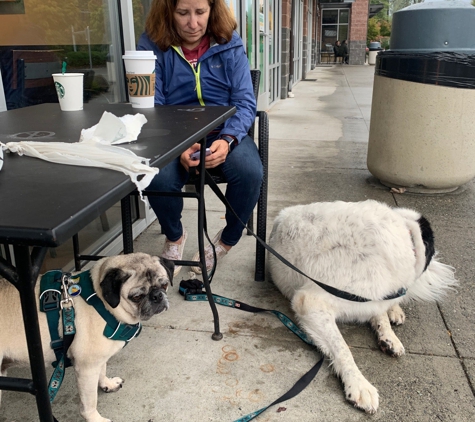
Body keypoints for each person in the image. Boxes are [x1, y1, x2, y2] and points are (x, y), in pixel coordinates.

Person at [137, 0, 263, 276]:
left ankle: (227, 240)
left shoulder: (229, 43)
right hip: (173, 134)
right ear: (168, 12)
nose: (192, 23)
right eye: (182, 13)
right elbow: (151, 104)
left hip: (223, 132)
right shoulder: (150, 46)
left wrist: (228, 139)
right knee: (155, 176)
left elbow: (244, 101)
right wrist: (177, 143)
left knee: (250, 171)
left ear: (212, 10)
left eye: (200, 12)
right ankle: (175, 236)